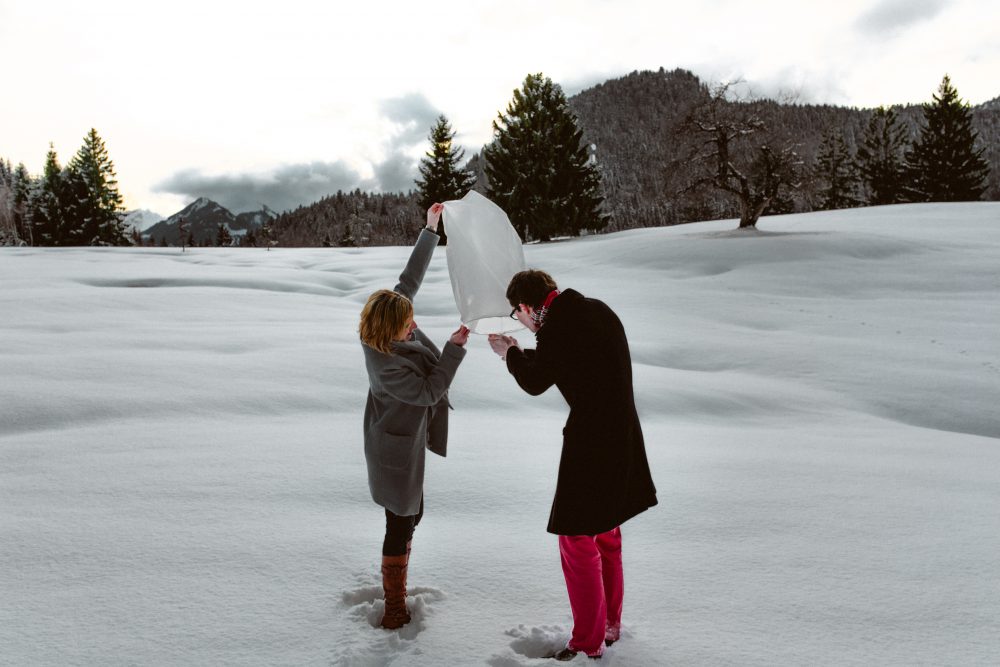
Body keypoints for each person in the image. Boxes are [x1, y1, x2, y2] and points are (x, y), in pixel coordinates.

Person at [488, 270, 657, 661]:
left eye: (518, 314)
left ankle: (587, 642)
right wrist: (520, 351)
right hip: (624, 435)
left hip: (590, 443)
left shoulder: (556, 329)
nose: (522, 322)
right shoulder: (596, 310)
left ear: (528, 307)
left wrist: (509, 355)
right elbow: (566, 362)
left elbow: (535, 382)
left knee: (576, 539)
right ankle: (609, 625)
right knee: (606, 533)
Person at [359, 203, 470, 629]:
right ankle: (393, 607)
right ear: (391, 331)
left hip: (405, 439)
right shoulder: (387, 365)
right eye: (409, 325)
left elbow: (409, 280)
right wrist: (454, 349)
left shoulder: (387, 325)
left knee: (411, 513)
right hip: (394, 448)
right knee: (400, 519)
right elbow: (429, 390)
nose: (414, 324)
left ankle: (398, 576)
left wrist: (430, 230)